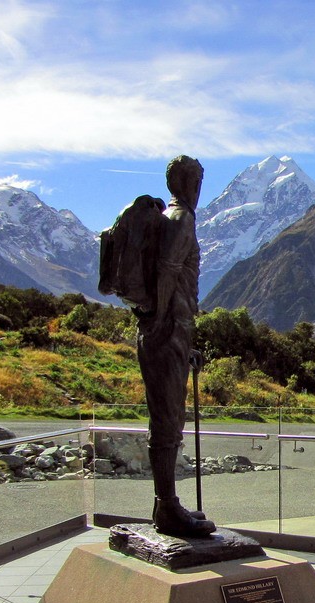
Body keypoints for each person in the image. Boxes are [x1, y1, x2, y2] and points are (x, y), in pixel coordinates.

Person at [135, 155, 216, 537]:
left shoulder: (172, 219)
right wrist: (161, 326)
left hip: (172, 332)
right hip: (166, 330)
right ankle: (166, 508)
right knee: (167, 421)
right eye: (194, 180)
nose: (198, 187)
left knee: (169, 418)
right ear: (180, 183)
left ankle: (165, 505)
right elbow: (167, 273)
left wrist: (183, 343)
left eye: (200, 180)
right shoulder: (182, 219)